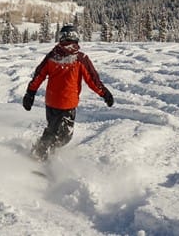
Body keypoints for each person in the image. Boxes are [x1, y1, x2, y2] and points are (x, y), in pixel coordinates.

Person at [22, 24, 114, 160]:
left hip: (53, 102)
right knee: (63, 136)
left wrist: (30, 93)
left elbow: (38, 75)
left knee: (53, 131)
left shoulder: (56, 56)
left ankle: (42, 154)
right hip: (65, 104)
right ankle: (38, 157)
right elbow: (93, 80)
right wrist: (104, 93)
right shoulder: (78, 58)